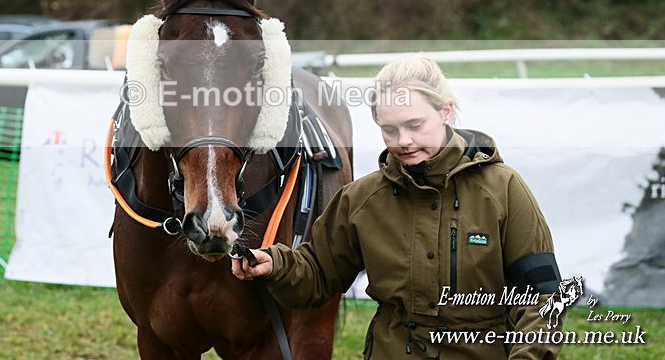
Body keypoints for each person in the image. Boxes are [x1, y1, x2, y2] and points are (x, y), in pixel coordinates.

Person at [231, 55, 564, 359]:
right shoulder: (360, 200)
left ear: (445, 111)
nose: (403, 140)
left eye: (415, 125)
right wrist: (276, 264)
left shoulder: (504, 190)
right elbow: (317, 275)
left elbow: (542, 298)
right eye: (389, 129)